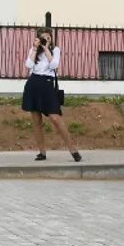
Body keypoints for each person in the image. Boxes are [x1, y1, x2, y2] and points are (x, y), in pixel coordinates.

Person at [22, 30, 81, 163]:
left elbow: (54, 65)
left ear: (51, 39)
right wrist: (35, 48)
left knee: (55, 118)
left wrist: (46, 48)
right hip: (33, 83)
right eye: (43, 37)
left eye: (48, 37)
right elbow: (28, 65)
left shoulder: (55, 50)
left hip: (47, 84)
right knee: (37, 121)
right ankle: (42, 152)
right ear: (38, 38)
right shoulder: (34, 50)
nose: (46, 39)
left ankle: (73, 150)